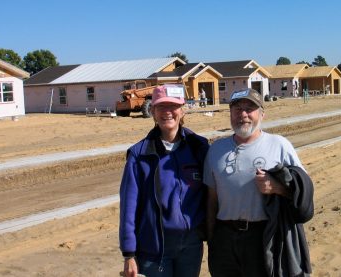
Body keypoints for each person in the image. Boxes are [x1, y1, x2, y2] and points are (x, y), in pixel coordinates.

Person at [204, 88, 314, 277]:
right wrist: (212, 237)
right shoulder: (215, 150)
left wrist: (278, 188)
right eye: (237, 109)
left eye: (250, 109)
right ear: (230, 113)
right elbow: (211, 199)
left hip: (262, 236)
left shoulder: (279, 145)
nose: (243, 115)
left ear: (262, 114)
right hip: (224, 238)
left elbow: (302, 192)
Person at [119, 84, 210, 277]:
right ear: (152, 111)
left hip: (191, 246)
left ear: (182, 110)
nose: (167, 112)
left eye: (173, 106)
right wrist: (129, 254)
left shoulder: (199, 147)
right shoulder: (140, 154)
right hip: (154, 248)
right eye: (161, 107)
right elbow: (128, 207)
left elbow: (212, 192)